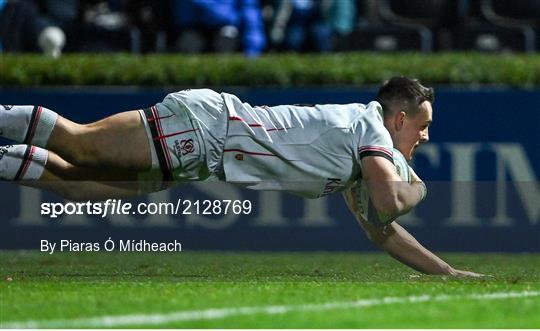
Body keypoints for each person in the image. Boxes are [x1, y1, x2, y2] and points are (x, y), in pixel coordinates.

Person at [0, 76, 482, 277]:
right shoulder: (371, 127)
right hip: (207, 126)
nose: (423, 137)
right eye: (422, 126)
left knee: (79, 185)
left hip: (206, 152)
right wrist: (418, 186)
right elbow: (389, 202)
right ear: (399, 118)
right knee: (80, 143)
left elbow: (382, 233)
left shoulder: (363, 149)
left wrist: (446, 273)